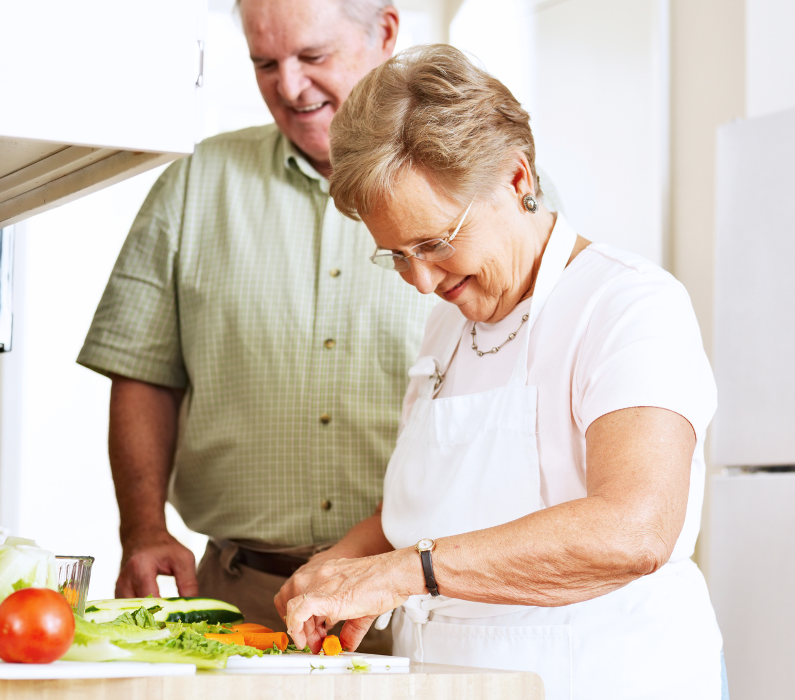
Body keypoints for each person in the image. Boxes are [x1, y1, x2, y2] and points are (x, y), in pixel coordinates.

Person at [278, 44, 727, 699]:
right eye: (396, 257)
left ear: (516, 180)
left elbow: (635, 528)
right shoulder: (451, 321)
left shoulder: (628, 304)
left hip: (600, 679)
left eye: (434, 243)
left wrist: (405, 573)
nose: (423, 281)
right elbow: (440, 498)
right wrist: (349, 564)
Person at [76, 0, 434, 651]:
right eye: (264, 64)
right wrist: (142, 526)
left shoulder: (474, 192)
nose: (290, 88)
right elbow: (143, 372)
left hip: (414, 602)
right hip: (241, 599)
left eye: (313, 56)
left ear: (385, 33)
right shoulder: (195, 183)